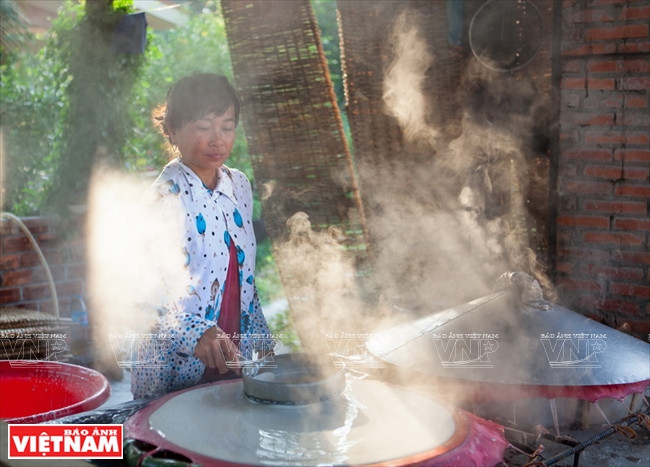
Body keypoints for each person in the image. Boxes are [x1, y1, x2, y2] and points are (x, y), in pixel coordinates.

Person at [131, 73, 274, 399]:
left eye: (227, 127)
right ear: (172, 129)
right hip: (176, 367)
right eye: (204, 127)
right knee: (175, 443)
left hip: (234, 354)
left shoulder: (239, 185)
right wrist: (197, 332)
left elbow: (244, 280)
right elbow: (144, 299)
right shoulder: (164, 197)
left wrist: (262, 347)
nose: (218, 140)